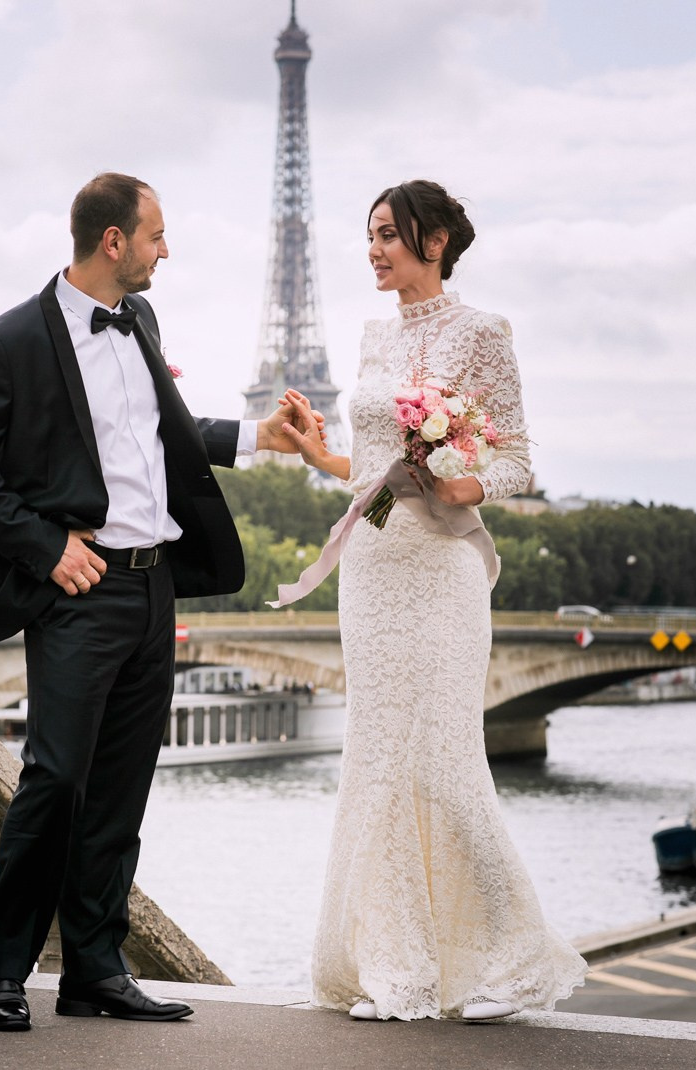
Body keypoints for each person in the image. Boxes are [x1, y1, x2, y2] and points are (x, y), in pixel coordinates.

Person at [0, 172, 316, 1032]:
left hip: (155, 586)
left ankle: (95, 971)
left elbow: (167, 431)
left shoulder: (140, 320)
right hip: (83, 586)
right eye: (156, 235)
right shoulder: (11, 340)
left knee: (120, 789)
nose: (164, 250)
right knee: (55, 778)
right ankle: (3, 972)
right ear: (115, 240)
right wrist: (43, 545)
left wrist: (261, 435)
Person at [280, 180, 588, 1021]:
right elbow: (373, 470)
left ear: (438, 240)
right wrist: (321, 457)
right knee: (377, 766)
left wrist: (470, 486)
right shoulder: (375, 336)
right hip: (373, 569)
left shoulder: (483, 333)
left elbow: (519, 458)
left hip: (444, 574)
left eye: (388, 234)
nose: (374, 249)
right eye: (369, 235)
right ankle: (399, 970)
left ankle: (515, 963)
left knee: (448, 765)